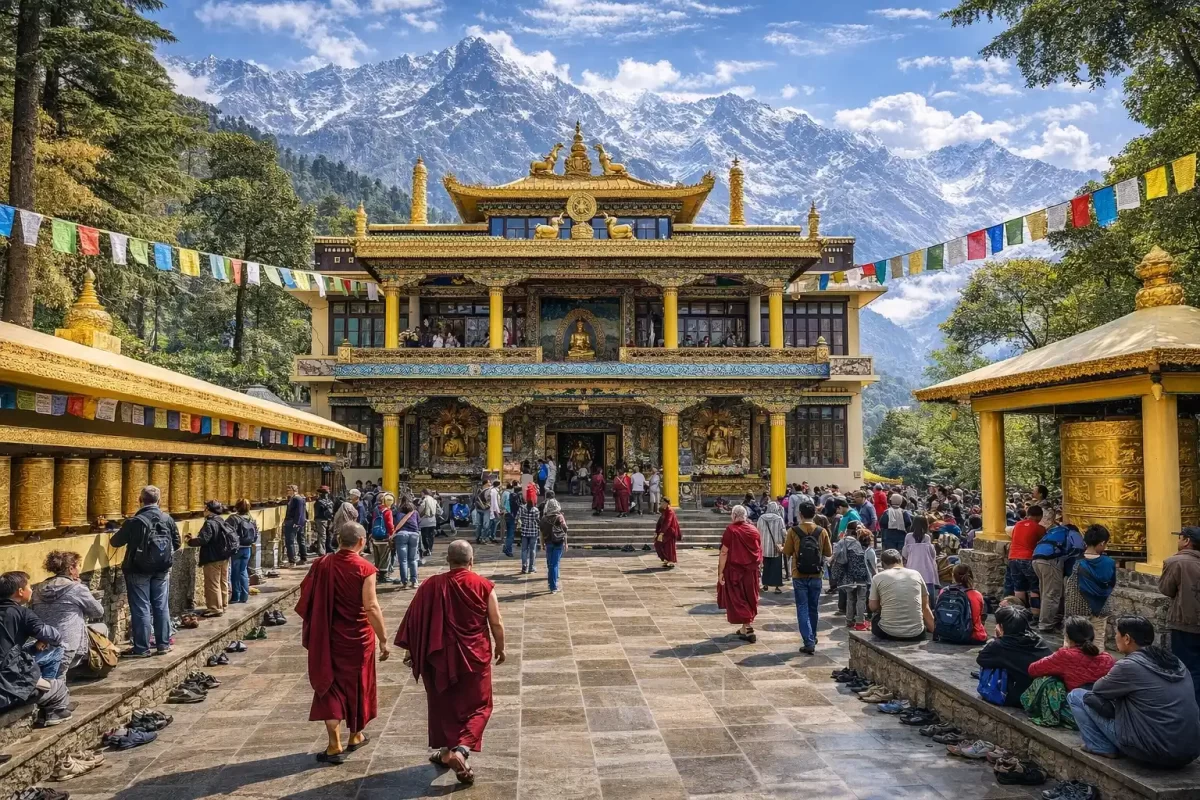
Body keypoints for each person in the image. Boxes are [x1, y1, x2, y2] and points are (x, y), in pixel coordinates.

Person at [396, 540, 505, 785]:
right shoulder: (483, 585)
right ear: (471, 560)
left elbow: (414, 621)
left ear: (448, 560)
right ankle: (460, 751)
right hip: (474, 656)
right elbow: (496, 621)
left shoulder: (430, 585)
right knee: (480, 705)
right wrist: (501, 647)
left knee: (443, 705)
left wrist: (411, 651)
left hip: (438, 658)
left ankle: (447, 752)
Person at [296, 522, 388, 764]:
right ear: (361, 542)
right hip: (358, 639)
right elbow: (371, 606)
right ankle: (355, 735)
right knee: (358, 685)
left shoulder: (321, 564)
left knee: (330, 686)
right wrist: (383, 638)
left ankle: (334, 744)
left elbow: (307, 597)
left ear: (339, 541)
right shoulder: (365, 568)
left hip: (328, 637)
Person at [1068, 616, 1200, 766]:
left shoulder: (1129, 665)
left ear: (1127, 639)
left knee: (1077, 696)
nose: (1115, 637)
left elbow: (1098, 689)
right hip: (1189, 751)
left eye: (1117, 634)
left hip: (1153, 751)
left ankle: (1100, 746)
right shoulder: (1176, 662)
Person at [112, 486, 180, 657]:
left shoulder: (135, 521)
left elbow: (115, 542)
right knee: (161, 606)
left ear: (140, 500)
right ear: (159, 500)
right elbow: (177, 543)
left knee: (141, 607)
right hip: (162, 569)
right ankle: (163, 644)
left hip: (138, 569)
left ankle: (142, 648)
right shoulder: (167, 519)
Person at [0, 572, 70, 726]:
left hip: (6, 669)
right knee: (59, 685)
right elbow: (53, 636)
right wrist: (45, 638)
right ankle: (54, 709)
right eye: (29, 587)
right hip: (7, 688)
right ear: (20, 591)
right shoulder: (22, 613)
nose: (31, 590)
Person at [1023, 616, 1116, 728]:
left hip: (1076, 713)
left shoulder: (1066, 655)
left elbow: (1033, 669)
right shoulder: (1108, 658)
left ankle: (1049, 715)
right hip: (1101, 712)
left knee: (1047, 681)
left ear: (1067, 637)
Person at [30, 552, 104, 677]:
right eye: (78, 566)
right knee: (57, 680)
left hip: (43, 642)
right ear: (71, 569)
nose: (79, 569)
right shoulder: (77, 588)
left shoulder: (38, 588)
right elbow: (98, 612)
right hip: (67, 642)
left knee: (50, 678)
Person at [975, 605, 1052, 708]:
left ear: (1001, 626)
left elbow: (981, 659)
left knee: (992, 662)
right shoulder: (1039, 641)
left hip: (1016, 697)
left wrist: (997, 638)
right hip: (1038, 694)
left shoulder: (1000, 646)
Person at [782, 502, 832, 654]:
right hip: (816, 574)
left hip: (799, 573)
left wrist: (781, 548)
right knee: (813, 607)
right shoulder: (821, 531)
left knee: (802, 607)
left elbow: (787, 551)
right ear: (814, 514)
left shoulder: (793, 531)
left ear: (800, 514)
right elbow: (828, 553)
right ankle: (813, 635)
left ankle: (808, 640)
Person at [1159, 526, 1200, 709]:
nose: (1178, 541)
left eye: (1180, 538)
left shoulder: (1176, 562)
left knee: (1186, 668)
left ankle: (1189, 708)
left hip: (1185, 622)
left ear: (1187, 541)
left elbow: (1166, 589)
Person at [718, 506, 762, 643]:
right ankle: (744, 628)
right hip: (751, 570)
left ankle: (748, 627)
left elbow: (724, 552)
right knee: (749, 596)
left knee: (738, 598)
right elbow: (759, 550)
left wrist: (720, 571)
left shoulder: (731, 530)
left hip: (735, 571)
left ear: (734, 516)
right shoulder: (754, 530)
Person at [869, 549, 934, 642]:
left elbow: (873, 607)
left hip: (888, 633)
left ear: (883, 564)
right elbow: (925, 607)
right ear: (901, 560)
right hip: (917, 634)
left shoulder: (877, 577)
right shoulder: (916, 574)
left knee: (875, 617)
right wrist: (935, 632)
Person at [1033, 523, 1085, 633]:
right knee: (1052, 594)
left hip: (1036, 559)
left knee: (1046, 592)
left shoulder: (1055, 531)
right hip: (1051, 560)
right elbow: (1079, 550)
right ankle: (1046, 625)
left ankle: (1052, 619)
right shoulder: (1074, 533)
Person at [189, 500, 233, 617]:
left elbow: (203, 539)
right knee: (223, 581)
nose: (204, 511)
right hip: (224, 556)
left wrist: (190, 541)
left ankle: (215, 608)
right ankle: (223, 605)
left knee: (213, 583)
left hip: (213, 557)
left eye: (205, 508)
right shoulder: (221, 520)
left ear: (208, 510)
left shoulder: (209, 523)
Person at [1007, 504, 1046, 622]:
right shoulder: (1039, 528)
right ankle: (1035, 615)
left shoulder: (1017, 525)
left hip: (1013, 558)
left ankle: (1020, 614)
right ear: (1039, 516)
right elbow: (1043, 542)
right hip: (1028, 558)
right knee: (1034, 587)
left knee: (1019, 587)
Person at [936, 564, 987, 644]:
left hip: (945, 634)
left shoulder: (943, 591)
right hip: (972, 637)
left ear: (953, 576)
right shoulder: (976, 595)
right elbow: (980, 616)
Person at [835, 522, 871, 631]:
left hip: (848, 575)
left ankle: (849, 620)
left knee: (850, 598)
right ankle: (860, 621)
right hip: (861, 575)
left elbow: (836, 556)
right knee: (861, 598)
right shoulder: (861, 541)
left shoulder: (842, 542)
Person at [228, 500, 259, 604]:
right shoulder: (251, 519)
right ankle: (244, 596)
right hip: (247, 548)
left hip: (237, 549)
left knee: (235, 572)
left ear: (236, 507)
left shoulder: (233, 518)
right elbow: (255, 535)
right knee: (243, 571)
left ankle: (236, 596)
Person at [902, 518, 939, 597]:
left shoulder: (908, 536)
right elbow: (932, 554)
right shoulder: (927, 537)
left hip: (912, 566)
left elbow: (904, 553)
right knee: (929, 590)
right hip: (927, 568)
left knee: (913, 590)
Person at [757, 501, 786, 593]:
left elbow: (757, 531)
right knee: (776, 567)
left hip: (764, 547)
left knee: (766, 567)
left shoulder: (761, 518)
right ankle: (777, 587)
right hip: (776, 547)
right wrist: (784, 542)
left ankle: (765, 585)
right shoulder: (779, 519)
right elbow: (783, 532)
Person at [540, 494, 567, 594]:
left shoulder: (544, 519)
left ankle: (551, 583)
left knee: (550, 564)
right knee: (554, 564)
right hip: (558, 542)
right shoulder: (560, 517)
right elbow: (565, 530)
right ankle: (553, 586)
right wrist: (566, 543)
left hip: (548, 542)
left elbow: (541, 533)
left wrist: (542, 544)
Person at [393, 497, 420, 589]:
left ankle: (404, 582)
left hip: (401, 534)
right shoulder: (415, 512)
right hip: (414, 534)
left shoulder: (398, 512)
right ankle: (414, 581)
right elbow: (418, 523)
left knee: (403, 560)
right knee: (413, 559)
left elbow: (395, 523)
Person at [369, 494, 395, 579]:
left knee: (377, 557)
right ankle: (383, 576)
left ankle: (377, 574)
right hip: (384, 537)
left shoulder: (376, 509)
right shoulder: (388, 511)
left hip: (375, 536)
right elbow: (389, 524)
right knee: (385, 556)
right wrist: (391, 534)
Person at [283, 484, 309, 567]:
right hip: (297, 522)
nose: (288, 492)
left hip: (293, 522)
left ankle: (292, 560)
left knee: (290, 541)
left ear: (293, 490)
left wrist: (296, 522)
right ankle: (303, 558)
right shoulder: (295, 498)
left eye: (289, 490)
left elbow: (299, 511)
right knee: (300, 539)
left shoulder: (297, 499)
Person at [654, 497, 681, 568]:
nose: (661, 504)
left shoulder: (670, 511)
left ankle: (671, 561)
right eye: (661, 502)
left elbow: (668, 522)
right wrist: (656, 531)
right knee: (658, 544)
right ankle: (666, 559)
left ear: (666, 503)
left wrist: (662, 533)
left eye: (663, 502)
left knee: (669, 547)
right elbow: (660, 521)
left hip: (670, 531)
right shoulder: (664, 510)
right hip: (664, 531)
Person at [517, 494, 540, 575]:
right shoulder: (536, 510)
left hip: (524, 531)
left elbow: (517, 518)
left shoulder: (522, 508)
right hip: (533, 532)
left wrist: (522, 522)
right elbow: (538, 520)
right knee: (532, 550)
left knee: (524, 550)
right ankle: (531, 567)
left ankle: (524, 565)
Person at [313, 486, 335, 555]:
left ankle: (326, 548)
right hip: (322, 519)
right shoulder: (321, 501)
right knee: (323, 535)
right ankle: (322, 551)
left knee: (327, 535)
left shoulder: (326, 501)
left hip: (326, 519)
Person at [419, 490, 439, 562]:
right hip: (433, 521)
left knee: (424, 536)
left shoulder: (424, 500)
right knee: (431, 536)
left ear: (424, 493)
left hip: (425, 520)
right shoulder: (434, 500)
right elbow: (438, 509)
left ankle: (427, 548)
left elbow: (421, 509)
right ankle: (430, 548)